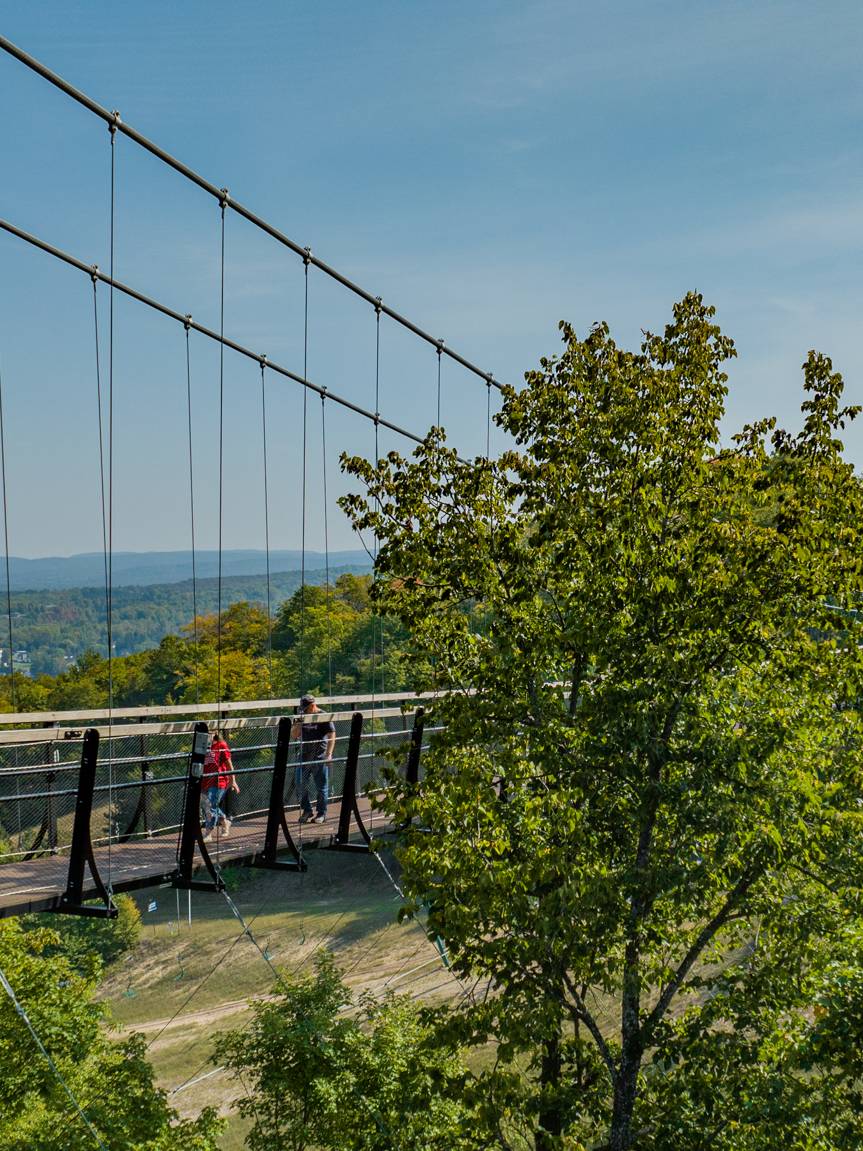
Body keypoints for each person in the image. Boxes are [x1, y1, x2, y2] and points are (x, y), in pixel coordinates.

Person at [291, 694, 335, 824]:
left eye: (306, 708)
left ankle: (321, 814)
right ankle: (307, 810)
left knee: (321, 786)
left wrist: (329, 754)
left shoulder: (323, 715)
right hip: (304, 756)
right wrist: (299, 723)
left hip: (319, 756)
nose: (304, 710)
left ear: (313, 705)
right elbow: (294, 735)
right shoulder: (301, 715)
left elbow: (332, 735)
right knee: (299, 783)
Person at [202, 729, 239, 841]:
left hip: (219, 780)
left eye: (210, 732)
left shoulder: (221, 745)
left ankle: (208, 833)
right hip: (205, 781)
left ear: (215, 733)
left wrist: (233, 781)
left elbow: (229, 764)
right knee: (210, 806)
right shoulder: (202, 746)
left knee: (211, 806)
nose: (208, 735)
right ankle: (225, 821)